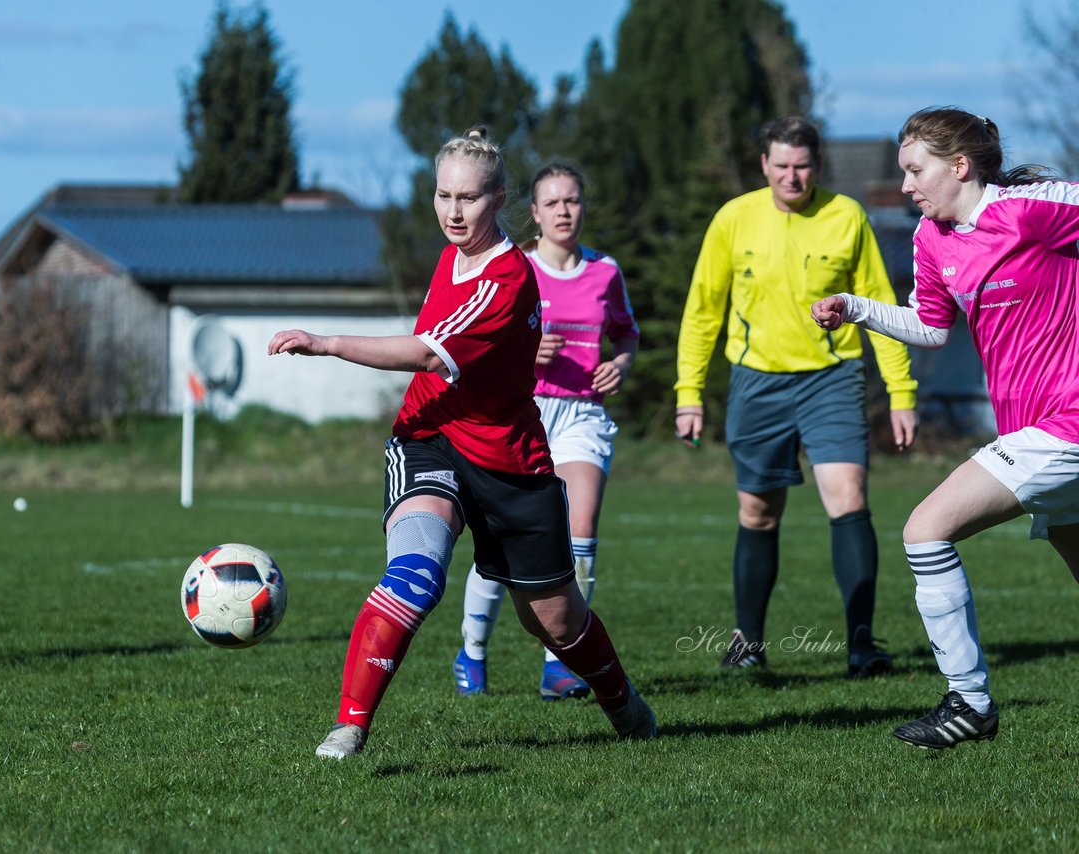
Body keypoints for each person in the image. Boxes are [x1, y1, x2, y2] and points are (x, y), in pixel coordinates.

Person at [268, 128, 657, 759]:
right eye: (443, 195)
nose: (453, 211)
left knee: (553, 619)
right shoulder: (454, 253)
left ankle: (622, 702)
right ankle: (349, 726)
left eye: (469, 199)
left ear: (498, 199)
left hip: (510, 458)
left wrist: (327, 342)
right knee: (417, 574)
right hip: (429, 437)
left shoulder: (505, 279)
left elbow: (424, 351)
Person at [812, 106, 1079, 748]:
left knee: (925, 530)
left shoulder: (1032, 210)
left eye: (915, 170)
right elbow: (931, 327)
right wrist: (856, 309)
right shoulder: (930, 239)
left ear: (959, 167)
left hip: (1067, 427)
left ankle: (970, 702)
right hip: (1033, 429)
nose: (905, 185)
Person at [674, 116, 918, 677]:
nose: (791, 176)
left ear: (817, 166)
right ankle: (748, 646)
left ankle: (861, 644)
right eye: (781, 165)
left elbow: (881, 304)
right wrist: (689, 391)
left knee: (848, 495)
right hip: (756, 381)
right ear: (764, 165)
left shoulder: (847, 216)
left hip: (831, 378)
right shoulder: (733, 220)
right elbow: (703, 310)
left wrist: (902, 391)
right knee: (758, 513)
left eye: (802, 166)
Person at [452, 161, 639, 701]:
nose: (564, 211)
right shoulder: (515, 269)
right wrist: (528, 354)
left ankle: (561, 662)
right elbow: (477, 349)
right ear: (533, 213)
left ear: (583, 207)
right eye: (552, 203)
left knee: (579, 540)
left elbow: (627, 336)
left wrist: (621, 366)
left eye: (572, 201)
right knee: (502, 549)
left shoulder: (606, 271)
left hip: (581, 415)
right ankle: (473, 650)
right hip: (519, 415)